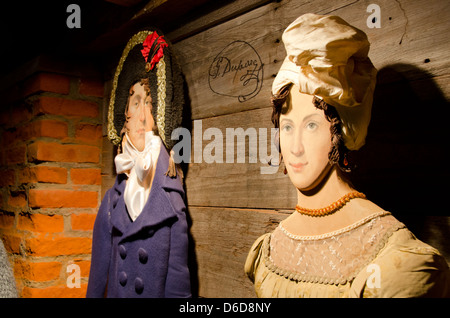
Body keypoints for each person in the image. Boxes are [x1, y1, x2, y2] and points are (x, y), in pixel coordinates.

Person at [244, 13, 450, 297]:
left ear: (344, 130)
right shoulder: (268, 249)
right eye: (287, 126)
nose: (295, 147)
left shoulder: (395, 261)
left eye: (312, 125)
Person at [86, 30, 191, 298]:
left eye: (150, 104)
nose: (143, 117)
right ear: (125, 113)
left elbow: (178, 283)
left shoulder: (171, 196)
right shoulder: (112, 201)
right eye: (136, 102)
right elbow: (97, 280)